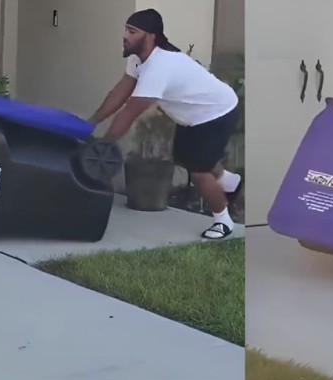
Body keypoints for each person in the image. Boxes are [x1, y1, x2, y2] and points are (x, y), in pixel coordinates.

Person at [87, 8, 242, 240]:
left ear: (150, 36)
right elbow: (120, 93)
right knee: (186, 158)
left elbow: (130, 112)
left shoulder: (159, 67)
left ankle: (223, 220)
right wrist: (91, 122)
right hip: (191, 116)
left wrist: (103, 148)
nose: (125, 36)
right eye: (126, 30)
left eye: (132, 31)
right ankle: (230, 181)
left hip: (217, 111)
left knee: (200, 172)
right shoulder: (137, 58)